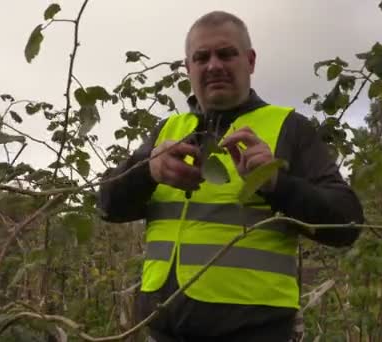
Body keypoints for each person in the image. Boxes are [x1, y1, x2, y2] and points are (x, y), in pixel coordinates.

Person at [98, 10, 364, 342]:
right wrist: (146, 173)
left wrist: (275, 183)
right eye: (201, 57)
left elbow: (347, 225)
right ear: (188, 68)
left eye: (226, 54)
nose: (213, 66)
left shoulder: (289, 128)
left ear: (250, 61)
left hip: (257, 333)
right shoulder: (168, 132)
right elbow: (106, 206)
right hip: (161, 331)